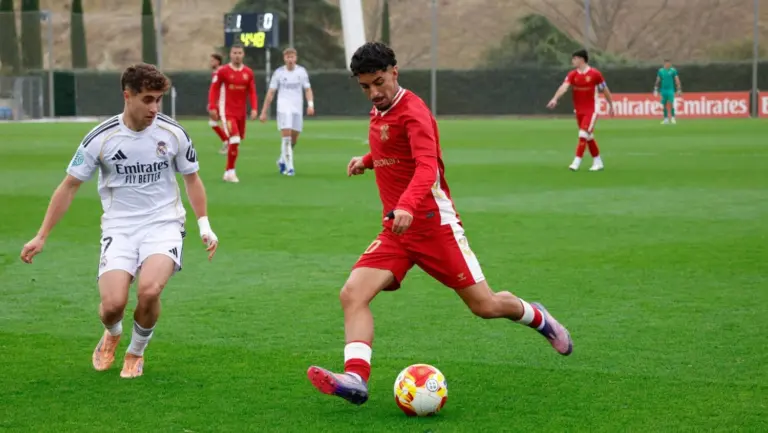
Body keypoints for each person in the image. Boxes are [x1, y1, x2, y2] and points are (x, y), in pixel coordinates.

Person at [306, 42, 573, 406]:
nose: (374, 93)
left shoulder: (413, 111)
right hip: (397, 230)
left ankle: (538, 317)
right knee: (352, 294)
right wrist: (367, 160)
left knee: (486, 306)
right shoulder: (379, 110)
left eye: (379, 82)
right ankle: (355, 377)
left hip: (433, 225)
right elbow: (392, 148)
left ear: (395, 72)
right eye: (365, 87)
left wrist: (406, 206)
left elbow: (426, 166)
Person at [19, 63, 219, 379]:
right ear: (128, 96)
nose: (155, 108)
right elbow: (69, 186)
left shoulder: (173, 133)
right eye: (148, 99)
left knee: (150, 290)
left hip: (163, 223)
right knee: (113, 305)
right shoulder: (101, 139)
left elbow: (192, 179)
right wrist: (41, 236)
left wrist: (204, 224)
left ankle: (135, 352)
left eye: (158, 100)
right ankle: (112, 332)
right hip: (119, 227)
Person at [547, 49, 614, 172]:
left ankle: (576, 162)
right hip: (578, 110)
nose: (572, 61)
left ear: (582, 59)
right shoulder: (573, 74)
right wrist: (555, 99)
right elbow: (564, 87)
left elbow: (604, 89)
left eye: (574, 59)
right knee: (588, 137)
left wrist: (611, 104)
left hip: (592, 109)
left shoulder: (595, 74)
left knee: (583, 134)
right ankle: (598, 161)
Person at [259, 47, 315, 176]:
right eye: (288, 57)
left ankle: (282, 159)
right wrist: (264, 111)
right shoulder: (279, 73)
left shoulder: (301, 72)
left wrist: (310, 105)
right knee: (287, 138)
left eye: (292, 57)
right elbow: (271, 92)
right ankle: (290, 168)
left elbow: (307, 89)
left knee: (294, 138)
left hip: (297, 108)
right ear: (284, 58)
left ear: (296, 58)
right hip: (283, 108)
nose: (290, 59)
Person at [208, 43, 258, 183]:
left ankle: (227, 172)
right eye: (234, 53)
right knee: (234, 138)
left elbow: (252, 91)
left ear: (243, 55)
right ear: (230, 55)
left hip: (241, 113)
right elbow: (214, 89)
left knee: (237, 140)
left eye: (239, 53)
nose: (237, 55)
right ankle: (230, 171)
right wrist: (212, 106)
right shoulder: (223, 71)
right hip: (227, 111)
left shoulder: (248, 72)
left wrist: (254, 108)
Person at [207, 53, 230, 155]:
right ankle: (227, 142)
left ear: (218, 61)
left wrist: (213, 104)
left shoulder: (221, 71)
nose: (210, 62)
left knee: (223, 124)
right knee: (213, 123)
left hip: (223, 102)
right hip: (219, 102)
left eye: (212, 60)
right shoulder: (216, 72)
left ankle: (228, 143)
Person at [654, 59, 682, 124]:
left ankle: (673, 118)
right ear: (665, 64)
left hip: (670, 90)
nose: (668, 65)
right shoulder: (661, 71)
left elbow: (677, 79)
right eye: (667, 63)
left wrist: (679, 89)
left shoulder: (673, 71)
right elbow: (658, 79)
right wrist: (655, 88)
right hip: (663, 90)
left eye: (669, 63)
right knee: (664, 104)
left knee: (671, 103)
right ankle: (666, 119)